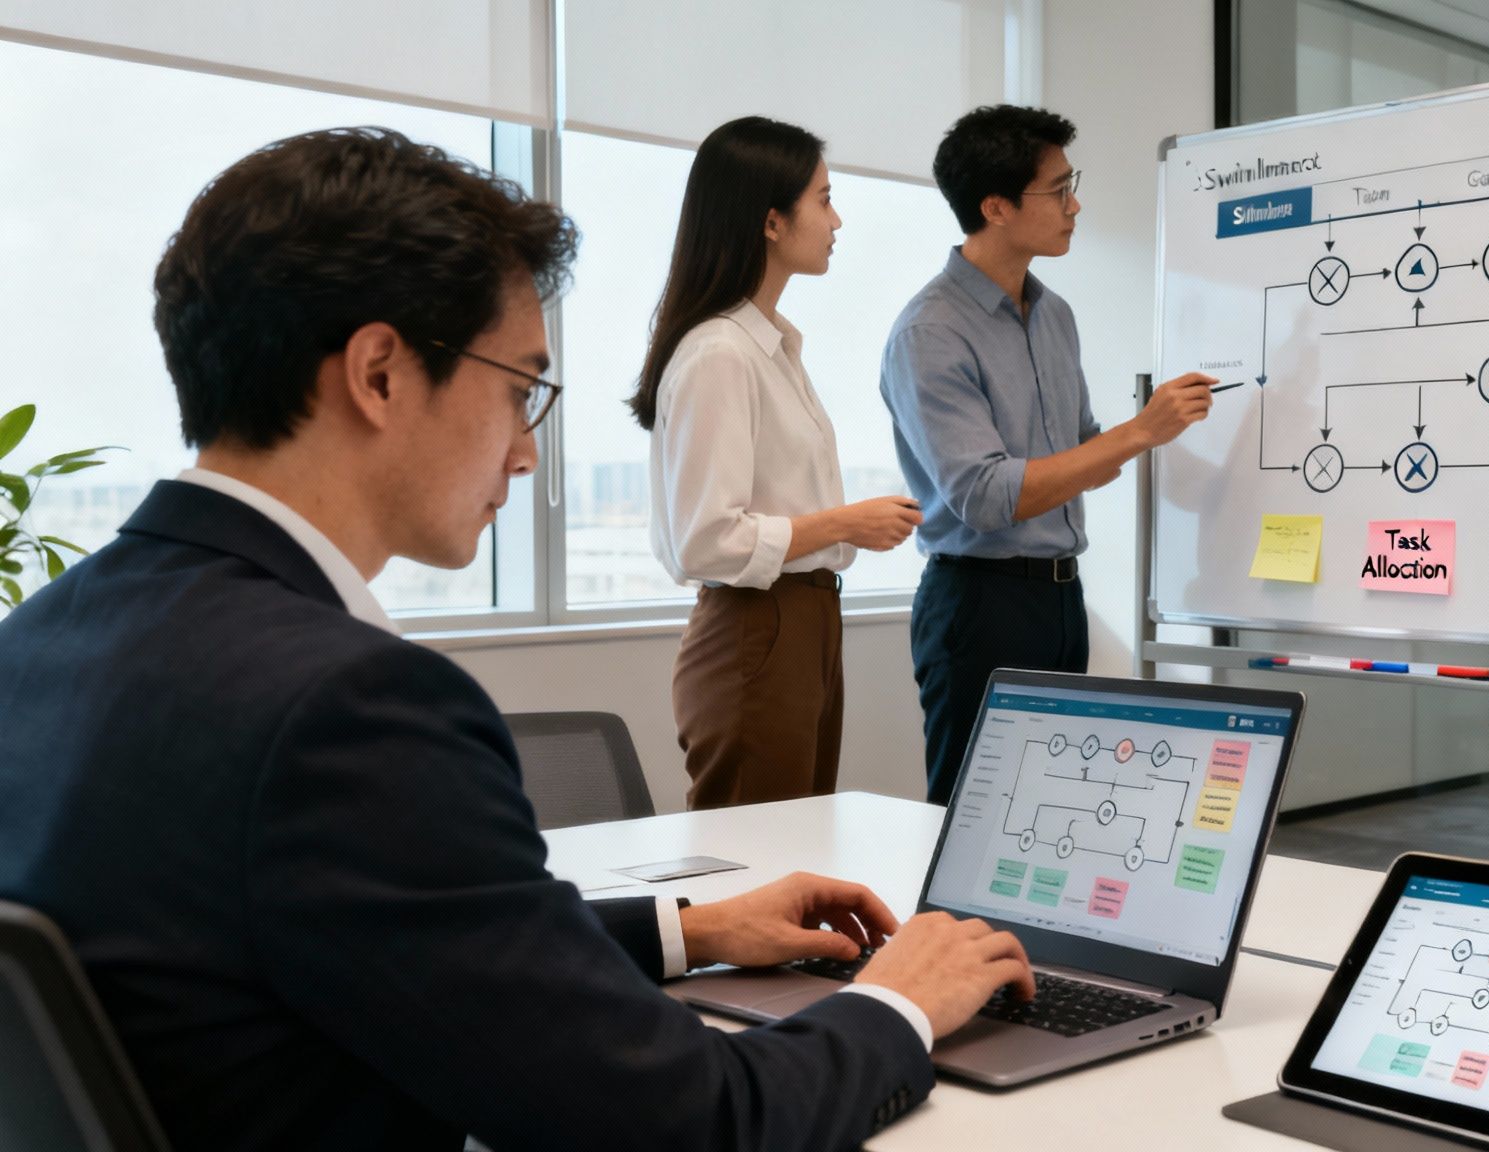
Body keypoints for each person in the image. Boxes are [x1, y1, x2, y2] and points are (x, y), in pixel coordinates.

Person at [0, 127, 1033, 1152]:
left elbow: (363, 931)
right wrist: (899, 1003)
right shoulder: (347, 709)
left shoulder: (40, 642)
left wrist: (687, 929)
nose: (529, 454)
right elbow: (694, 1124)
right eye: (517, 389)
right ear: (378, 374)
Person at [881, 105, 1216, 803]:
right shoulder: (930, 332)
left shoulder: (1055, 313)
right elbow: (987, 496)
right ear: (995, 206)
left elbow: (1083, 448)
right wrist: (1140, 432)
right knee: (970, 815)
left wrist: (1181, 443)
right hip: (979, 603)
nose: (1076, 204)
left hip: (1062, 598)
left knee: (1052, 808)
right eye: (1058, 189)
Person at [631, 117, 922, 810]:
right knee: (757, 864)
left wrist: (840, 527)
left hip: (803, 621)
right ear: (770, 221)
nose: (837, 219)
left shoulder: (770, 346)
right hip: (757, 628)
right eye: (824, 199)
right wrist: (843, 522)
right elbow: (708, 538)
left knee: (796, 847)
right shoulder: (721, 353)